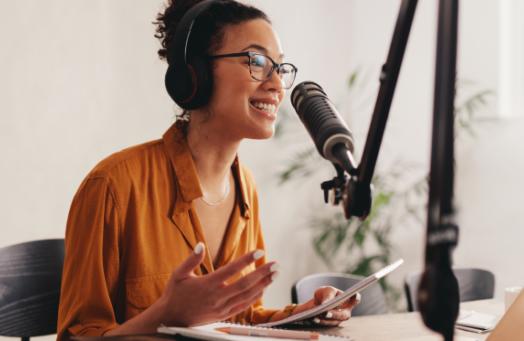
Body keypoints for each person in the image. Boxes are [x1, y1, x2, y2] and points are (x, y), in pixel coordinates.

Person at [56, 1, 359, 339]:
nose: (277, 84)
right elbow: (76, 336)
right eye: (257, 61)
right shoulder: (114, 187)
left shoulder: (245, 187)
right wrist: (163, 317)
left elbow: (240, 320)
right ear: (194, 75)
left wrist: (303, 314)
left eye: (280, 67)